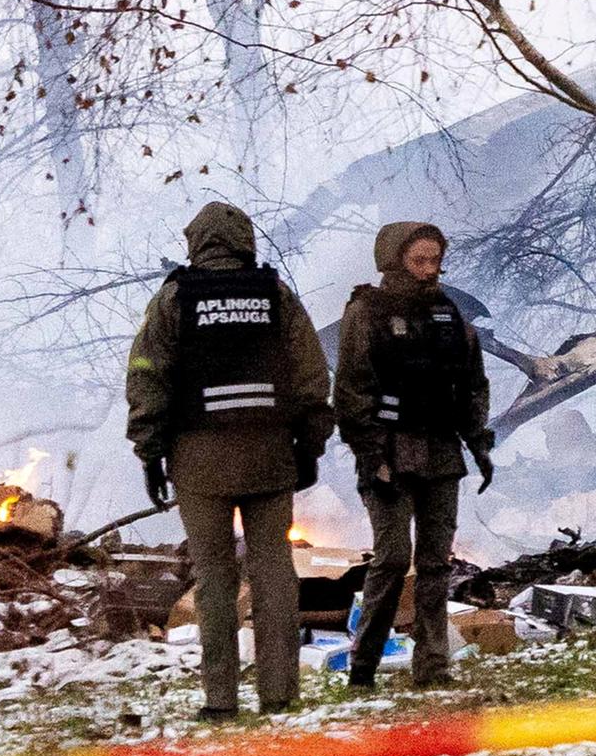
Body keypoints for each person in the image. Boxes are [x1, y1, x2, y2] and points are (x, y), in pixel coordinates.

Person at [126, 201, 333, 719]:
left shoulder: (175, 298)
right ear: (245, 240)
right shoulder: (275, 295)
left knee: (215, 578)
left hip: (199, 458)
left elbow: (148, 372)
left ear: (196, 242)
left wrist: (149, 450)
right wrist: (309, 445)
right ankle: (280, 694)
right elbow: (311, 374)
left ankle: (220, 700)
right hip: (268, 454)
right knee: (274, 574)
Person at [334, 220, 497, 690]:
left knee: (435, 563)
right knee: (390, 558)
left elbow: (471, 384)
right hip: (389, 450)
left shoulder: (450, 314)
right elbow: (350, 389)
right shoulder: (367, 313)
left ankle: (433, 666)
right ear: (395, 260)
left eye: (436, 259)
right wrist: (368, 454)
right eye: (419, 260)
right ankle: (362, 666)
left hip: (443, 452)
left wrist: (479, 443)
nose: (430, 270)